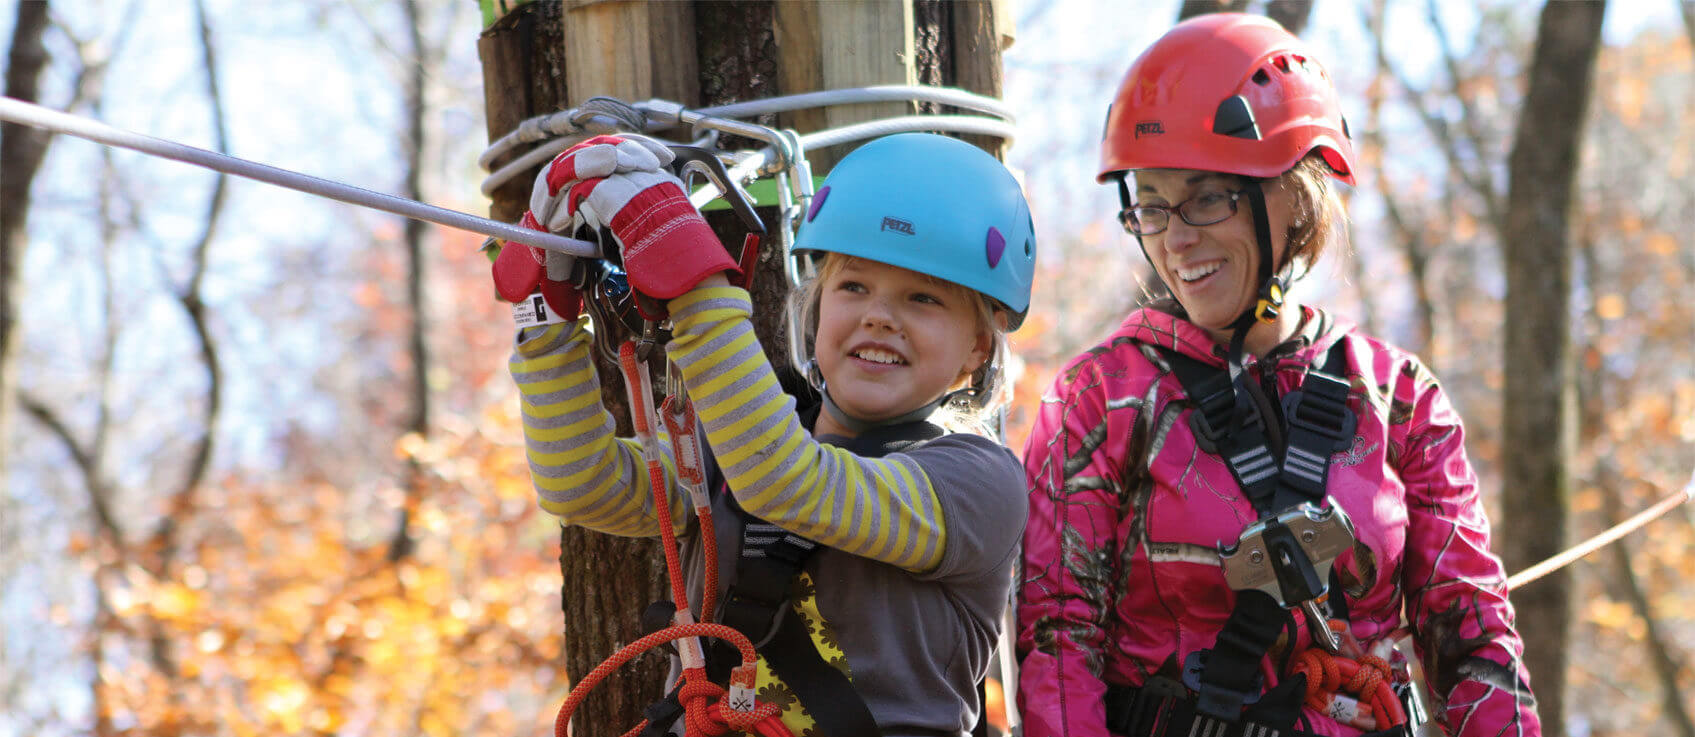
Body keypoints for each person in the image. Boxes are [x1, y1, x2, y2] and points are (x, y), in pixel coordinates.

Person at [1015, 13, 1539, 737]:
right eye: (1152, 205)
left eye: (1205, 198)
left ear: (1292, 194)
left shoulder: (1398, 397)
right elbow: (1055, 645)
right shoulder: (1100, 399)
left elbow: (1475, 636)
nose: (1175, 237)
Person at [494, 132, 1038, 737]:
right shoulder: (731, 452)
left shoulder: (978, 483)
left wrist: (686, 274)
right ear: (817, 305)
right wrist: (542, 319)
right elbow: (583, 486)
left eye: (923, 298)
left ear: (978, 347)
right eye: (853, 286)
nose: (880, 315)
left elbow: (787, 483)